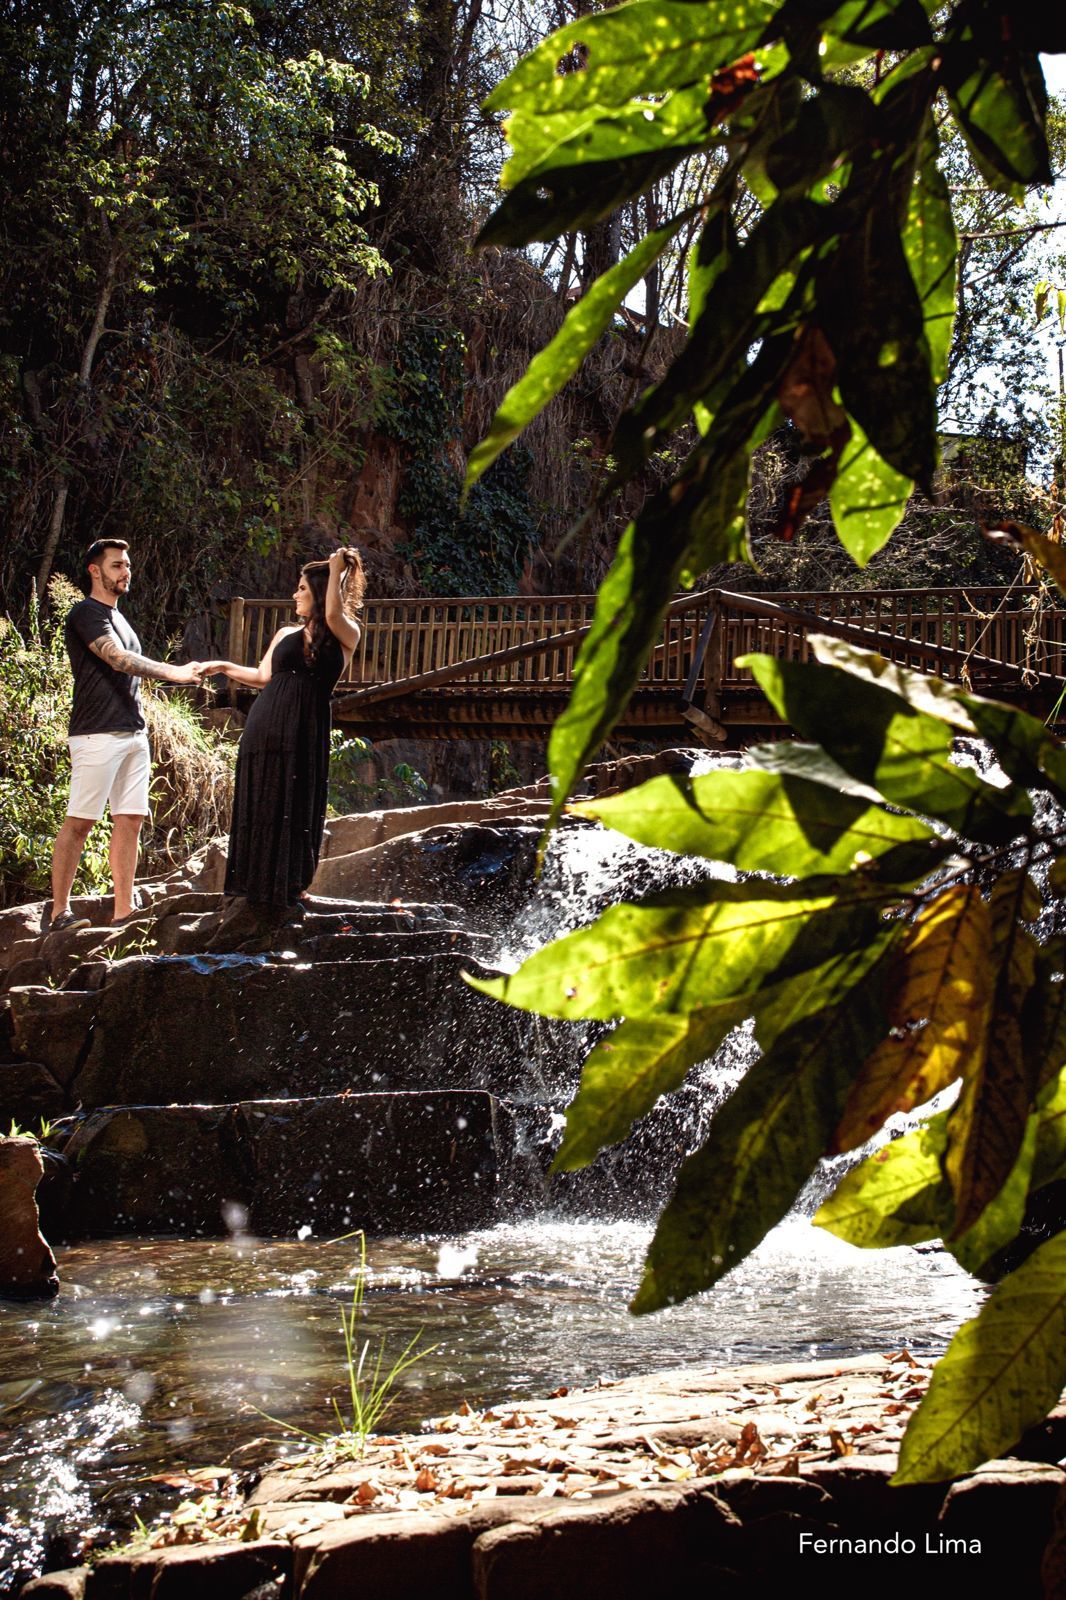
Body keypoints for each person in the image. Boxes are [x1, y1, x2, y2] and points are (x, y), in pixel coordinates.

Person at [48, 538, 203, 934]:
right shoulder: (86, 613)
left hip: (134, 732)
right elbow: (116, 659)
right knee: (80, 822)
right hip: (96, 733)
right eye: (117, 565)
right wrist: (174, 672)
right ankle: (58, 913)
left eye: (128, 565)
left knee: (131, 819)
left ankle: (123, 913)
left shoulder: (121, 618)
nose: (125, 572)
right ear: (95, 571)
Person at [200, 548, 364, 910]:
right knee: (261, 791)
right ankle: (250, 880)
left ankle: (291, 882)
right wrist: (224, 666)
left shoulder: (346, 632)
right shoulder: (285, 632)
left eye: (302, 588)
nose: (295, 594)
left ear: (319, 592)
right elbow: (262, 677)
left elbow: (334, 611)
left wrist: (336, 571)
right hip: (267, 719)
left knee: (299, 795)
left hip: (307, 723)